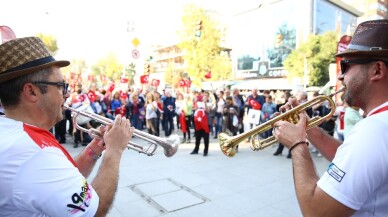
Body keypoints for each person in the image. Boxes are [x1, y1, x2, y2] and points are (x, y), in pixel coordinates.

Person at [0, 37, 134, 216]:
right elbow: (94, 212)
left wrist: (94, 149)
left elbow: (63, 182)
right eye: (61, 86)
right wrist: (115, 151)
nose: (67, 93)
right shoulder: (32, 154)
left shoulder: (14, 132)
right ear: (31, 91)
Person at [272, 19, 388, 216]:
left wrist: (297, 145)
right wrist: (308, 129)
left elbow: (315, 211)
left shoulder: (372, 131)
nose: (340, 77)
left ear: (377, 70)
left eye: (345, 67)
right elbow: (354, 160)